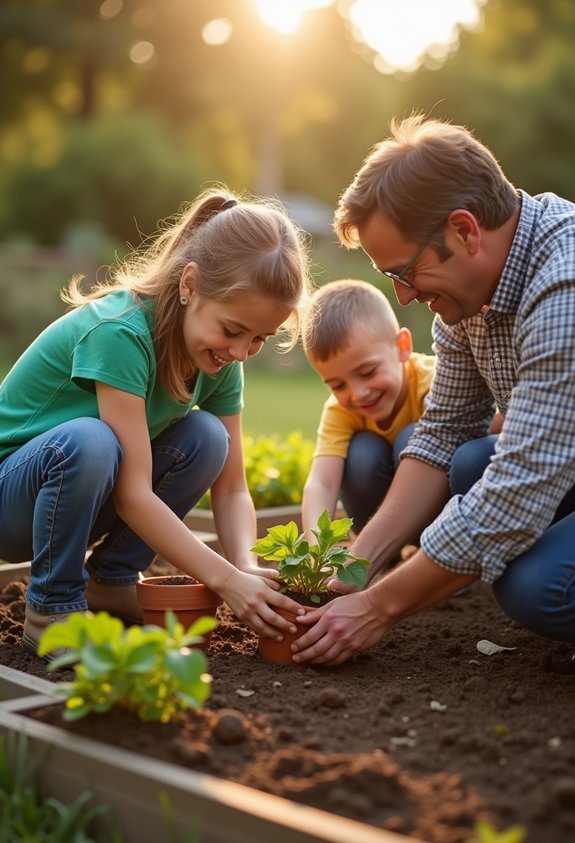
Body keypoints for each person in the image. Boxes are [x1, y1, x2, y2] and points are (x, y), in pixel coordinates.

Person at [290, 113, 575, 665]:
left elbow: (518, 494)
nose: (402, 297)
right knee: (469, 463)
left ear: (464, 230)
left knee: (538, 587)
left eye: (405, 272)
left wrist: (378, 607)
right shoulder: (467, 298)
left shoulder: (562, 289)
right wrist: (356, 567)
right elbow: (443, 433)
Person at [0, 187, 314, 655]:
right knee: (91, 441)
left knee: (208, 438)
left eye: (259, 339)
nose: (240, 351)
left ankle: (111, 582)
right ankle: (53, 608)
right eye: (232, 330)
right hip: (12, 500)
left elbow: (232, 488)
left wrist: (244, 566)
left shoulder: (220, 360)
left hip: (75, 500)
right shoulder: (120, 334)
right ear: (190, 285)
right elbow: (133, 494)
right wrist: (223, 580)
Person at [301, 278, 435, 536]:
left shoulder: (434, 382)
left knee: (412, 439)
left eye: (368, 372)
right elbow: (322, 483)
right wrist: (315, 546)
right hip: (377, 528)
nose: (358, 394)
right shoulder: (340, 410)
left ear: (402, 347)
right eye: (338, 385)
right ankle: (377, 550)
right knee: (362, 453)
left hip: (436, 518)